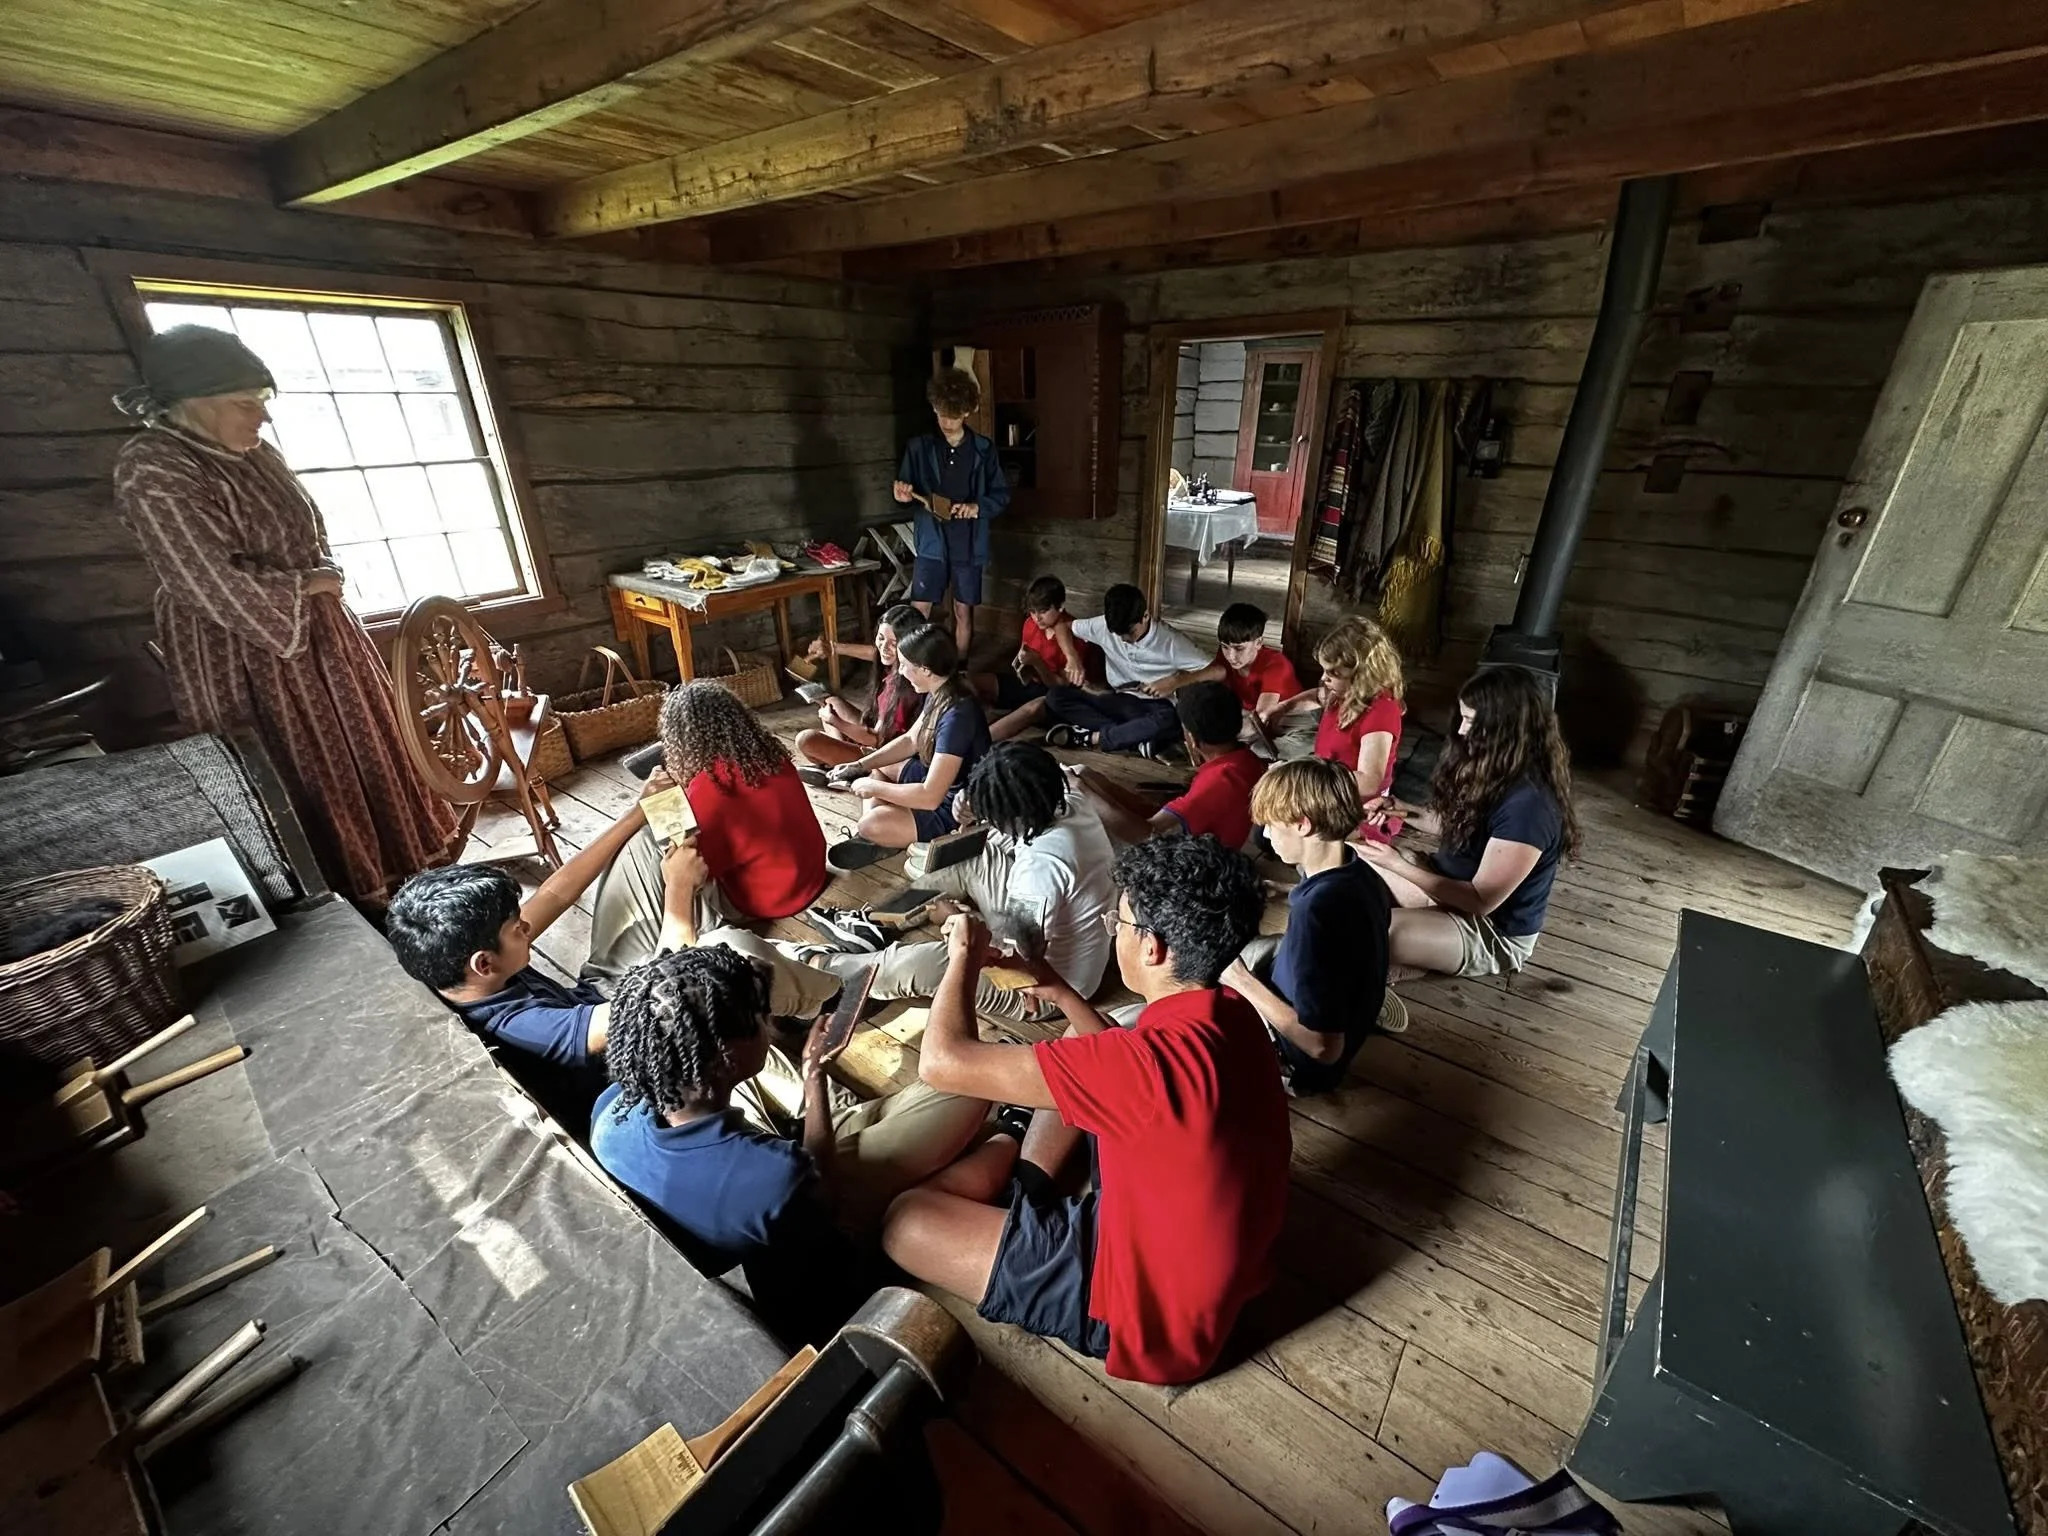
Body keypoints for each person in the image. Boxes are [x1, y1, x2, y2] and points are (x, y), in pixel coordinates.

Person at [878, 837, 1291, 1386]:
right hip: (1194, 1261)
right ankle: (1027, 1191)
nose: (1112, 930)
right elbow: (1127, 1070)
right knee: (1085, 1037)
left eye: (1119, 923)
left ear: (1152, 948)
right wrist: (1060, 990)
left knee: (904, 1222)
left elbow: (941, 1063)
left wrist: (962, 958)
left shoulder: (1140, 1067)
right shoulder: (1233, 1012)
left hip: (1146, 1319)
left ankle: (1015, 1173)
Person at [111, 323, 457, 906]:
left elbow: (306, 528)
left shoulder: (258, 455)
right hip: (245, 653)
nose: (263, 417)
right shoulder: (155, 466)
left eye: (262, 401)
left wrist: (323, 573)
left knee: (365, 751)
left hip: (323, 637)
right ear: (192, 401)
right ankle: (344, 900)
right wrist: (305, 585)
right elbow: (201, 576)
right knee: (302, 770)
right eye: (245, 403)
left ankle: (402, 875)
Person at [590, 945, 991, 1344]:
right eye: (760, 1019)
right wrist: (815, 1079)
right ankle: (994, 1139)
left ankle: (874, 1123)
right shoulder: (773, 1174)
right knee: (968, 1087)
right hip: (819, 1233)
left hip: (755, 1200)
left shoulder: (610, 1112)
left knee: (884, 1115)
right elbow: (822, 1187)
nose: (769, 1023)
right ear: (727, 1058)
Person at [805, 743, 1118, 1022]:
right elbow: (1018, 778)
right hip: (1044, 932)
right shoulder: (1064, 797)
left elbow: (1017, 967)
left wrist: (956, 920)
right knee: (970, 853)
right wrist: (966, 804)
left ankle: (821, 968)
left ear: (1009, 816)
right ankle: (876, 923)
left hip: (1047, 987)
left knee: (919, 964)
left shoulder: (1040, 872)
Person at [385, 798, 651, 1123]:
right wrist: (678, 891)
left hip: (596, 998)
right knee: (704, 949)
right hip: (631, 1048)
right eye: (517, 929)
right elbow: (650, 1004)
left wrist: (638, 811)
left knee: (644, 841)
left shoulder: (463, 967)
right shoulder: (521, 1027)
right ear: (484, 964)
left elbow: (554, 895)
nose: (526, 927)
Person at [1358, 666, 1579, 979]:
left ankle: (1404, 960)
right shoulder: (1493, 768)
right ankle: (1409, 953)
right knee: (1351, 866)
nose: (1461, 730)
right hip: (1445, 886)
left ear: (1505, 728)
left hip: (1489, 929)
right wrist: (1401, 809)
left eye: (1472, 722)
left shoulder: (1530, 807)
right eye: (1463, 718)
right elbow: (1457, 824)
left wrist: (1396, 864)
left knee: (1373, 931)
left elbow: (1479, 901)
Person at [587, 681, 827, 963]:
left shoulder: (709, 789)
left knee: (662, 856)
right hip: (812, 875)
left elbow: (696, 870)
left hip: (774, 899)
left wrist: (670, 802)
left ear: (680, 741)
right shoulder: (769, 755)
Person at [1221, 759, 1400, 1096]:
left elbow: (1324, 1048)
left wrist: (1240, 980)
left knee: (1214, 985)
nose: (1266, 834)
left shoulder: (1315, 914)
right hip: (1349, 1006)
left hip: (1300, 1064)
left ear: (1303, 824)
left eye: (1271, 825)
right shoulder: (1361, 872)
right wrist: (1288, 890)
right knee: (1262, 948)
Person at [829, 628, 991, 851]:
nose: (901, 671)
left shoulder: (957, 716)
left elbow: (931, 797)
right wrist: (860, 765)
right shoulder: (941, 690)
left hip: (957, 807)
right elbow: (910, 740)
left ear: (926, 670)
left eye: (905, 665)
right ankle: (885, 833)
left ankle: (882, 833)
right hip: (936, 779)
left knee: (870, 824)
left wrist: (873, 788)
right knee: (880, 766)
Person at [894, 369, 1010, 655]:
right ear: (934, 408)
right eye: (942, 414)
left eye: (954, 416)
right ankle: (912, 666)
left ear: (968, 412)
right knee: (919, 609)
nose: (946, 422)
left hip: (968, 541)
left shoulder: (983, 450)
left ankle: (959, 668)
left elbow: (1001, 495)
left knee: (963, 611)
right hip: (931, 540)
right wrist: (901, 495)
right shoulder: (919, 448)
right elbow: (904, 492)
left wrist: (976, 507)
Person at [1076, 682, 1265, 851]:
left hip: (1207, 864)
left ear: (1191, 738)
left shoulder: (1217, 782)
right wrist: (1100, 786)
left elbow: (1148, 837)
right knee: (1089, 777)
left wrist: (1084, 790)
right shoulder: (1246, 760)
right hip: (1211, 843)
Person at [1042, 583, 1212, 757]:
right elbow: (1062, 626)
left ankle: (1091, 738)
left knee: (1168, 719)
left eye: (1130, 632)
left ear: (1145, 616)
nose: (1124, 639)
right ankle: (1135, 739)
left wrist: (1175, 682)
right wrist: (1072, 658)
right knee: (1056, 697)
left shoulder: (1172, 641)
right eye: (1118, 634)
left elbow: (1217, 670)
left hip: (1154, 707)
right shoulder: (1103, 625)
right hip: (1118, 700)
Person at [1289, 617, 1407, 839]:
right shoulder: (1341, 693)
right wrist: (1280, 709)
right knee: (1267, 827)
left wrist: (1307, 779)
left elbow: (1368, 782)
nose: (1324, 678)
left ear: (1361, 674)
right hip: (1326, 792)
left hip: (1355, 806)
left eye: (1333, 674)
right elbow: (1317, 696)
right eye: (1324, 670)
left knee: (1282, 833)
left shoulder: (1381, 710)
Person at [794, 604, 927, 767]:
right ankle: (840, 761)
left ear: (910, 644)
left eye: (893, 643)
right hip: (875, 738)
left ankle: (842, 763)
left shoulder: (906, 683)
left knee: (806, 739)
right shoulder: (897, 662)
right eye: (880, 638)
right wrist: (833, 648)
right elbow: (874, 653)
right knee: (832, 702)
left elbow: (877, 739)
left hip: (886, 757)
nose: (884, 648)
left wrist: (835, 722)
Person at [977, 575, 1100, 743]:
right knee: (974, 680)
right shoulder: (1031, 623)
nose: (1037, 618)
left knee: (1033, 708)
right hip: (1030, 683)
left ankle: (978, 742)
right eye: (1033, 611)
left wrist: (1037, 663)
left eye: (1043, 611)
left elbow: (1060, 686)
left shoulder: (1075, 635)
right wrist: (1023, 665)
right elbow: (1024, 653)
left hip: (1054, 696)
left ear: (1060, 607)